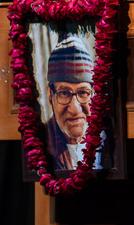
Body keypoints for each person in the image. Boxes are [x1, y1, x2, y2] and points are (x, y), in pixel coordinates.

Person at [45, 33, 103, 170]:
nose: (74, 108)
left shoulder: (110, 138)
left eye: (83, 92)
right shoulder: (39, 140)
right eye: (64, 93)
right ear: (50, 96)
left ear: (93, 94)